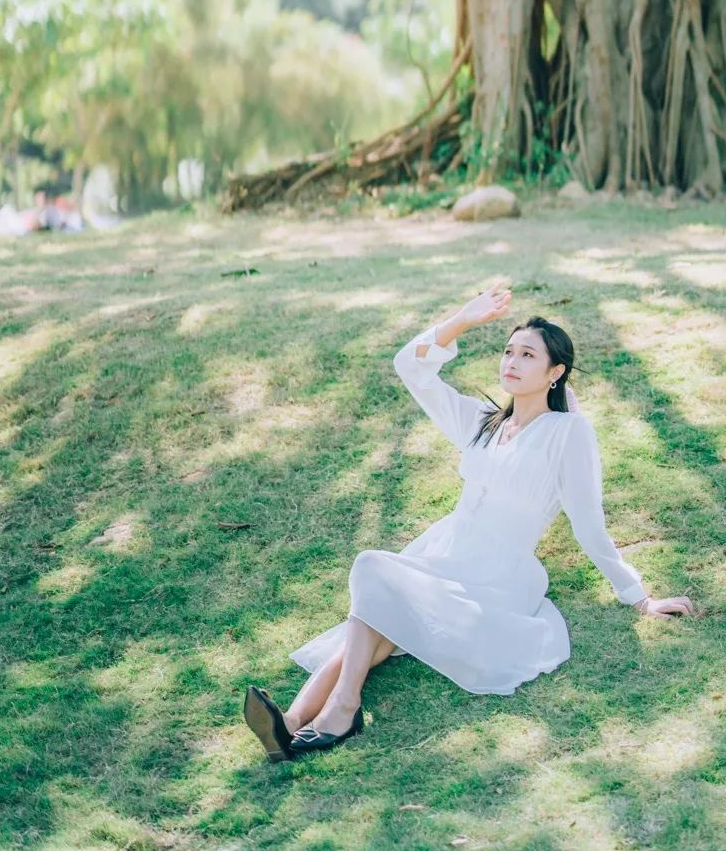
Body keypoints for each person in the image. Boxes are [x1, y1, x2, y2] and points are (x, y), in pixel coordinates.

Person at [243, 276, 693, 762]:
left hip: (497, 573)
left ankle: (342, 709)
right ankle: (291, 723)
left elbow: (590, 525)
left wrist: (638, 597)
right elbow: (409, 367)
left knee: (372, 573)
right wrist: (462, 319)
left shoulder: (568, 433)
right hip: (442, 551)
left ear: (555, 373)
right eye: (508, 350)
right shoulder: (483, 420)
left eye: (528, 356)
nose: (512, 362)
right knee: (376, 618)